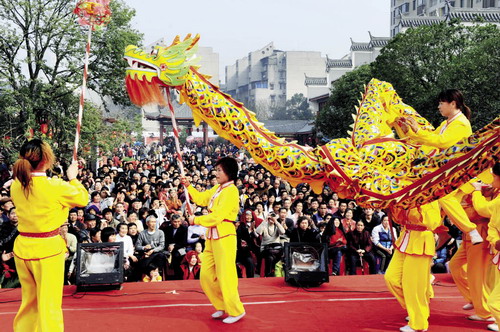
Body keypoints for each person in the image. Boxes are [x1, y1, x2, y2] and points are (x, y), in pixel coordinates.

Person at [10, 139, 88, 331]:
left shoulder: (16, 185)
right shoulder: (56, 186)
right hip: (47, 251)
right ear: (46, 159)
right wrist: (73, 177)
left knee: (29, 302)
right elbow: (83, 198)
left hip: (23, 248)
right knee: (49, 305)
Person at [399, 89, 482, 244]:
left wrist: (417, 131)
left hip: (459, 174)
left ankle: (471, 230)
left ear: (453, 103)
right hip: (446, 173)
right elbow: (430, 143)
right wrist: (410, 133)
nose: (439, 106)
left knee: (442, 194)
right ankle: (441, 232)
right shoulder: (446, 123)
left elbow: (441, 142)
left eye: (441, 103)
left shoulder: (462, 124)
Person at [183, 157, 245, 324]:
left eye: (219, 170)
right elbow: (202, 199)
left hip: (225, 236)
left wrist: (195, 220)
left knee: (226, 276)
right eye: (216, 170)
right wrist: (189, 186)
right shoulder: (218, 188)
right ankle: (222, 305)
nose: (216, 173)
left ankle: (236, 310)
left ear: (229, 173)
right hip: (211, 237)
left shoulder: (231, 191)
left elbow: (218, 216)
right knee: (206, 275)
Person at [385, 201, 442, 332]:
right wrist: (394, 206)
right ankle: (416, 309)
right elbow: (399, 219)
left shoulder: (430, 197)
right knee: (391, 278)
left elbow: (433, 223)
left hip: (421, 240)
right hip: (405, 238)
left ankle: (419, 323)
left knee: (412, 285)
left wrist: (419, 204)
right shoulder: (406, 196)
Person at [471, 162, 500, 332]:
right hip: (496, 248)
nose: (492, 179)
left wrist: (476, 192)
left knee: (494, 302)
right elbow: (493, 227)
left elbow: (483, 209)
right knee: (491, 282)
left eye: (495, 176)